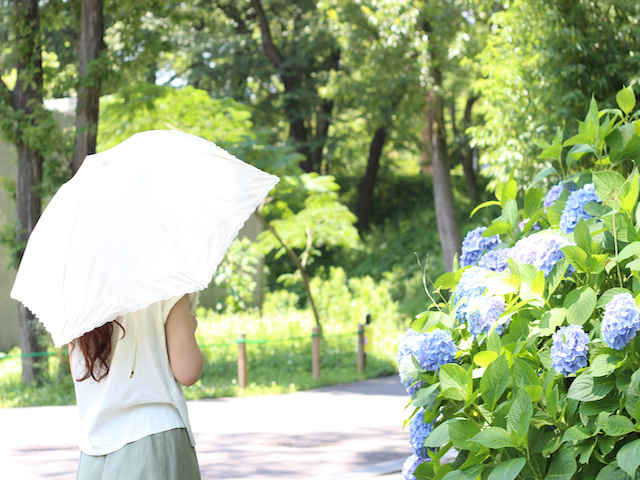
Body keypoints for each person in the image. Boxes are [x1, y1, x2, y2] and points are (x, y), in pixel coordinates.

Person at [68, 292, 205, 479]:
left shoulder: (77, 295)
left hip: (93, 452)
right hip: (154, 441)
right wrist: (189, 326)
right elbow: (188, 371)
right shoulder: (168, 282)